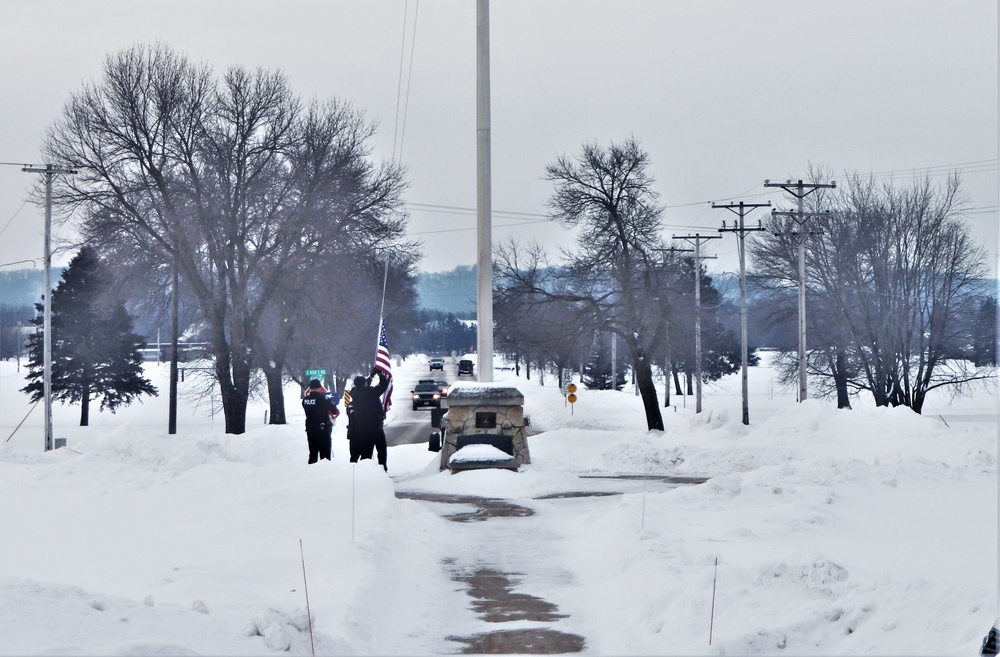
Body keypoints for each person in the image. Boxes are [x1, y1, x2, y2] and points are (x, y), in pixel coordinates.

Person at [346, 369, 389, 471]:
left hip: (362, 429)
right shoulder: (372, 392)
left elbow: (363, 385)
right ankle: (382, 468)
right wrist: (380, 374)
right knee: (381, 449)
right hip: (375, 427)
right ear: (365, 384)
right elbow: (383, 385)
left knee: (366, 452)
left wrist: (371, 376)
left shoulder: (354, 393)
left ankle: (366, 471)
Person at [302, 379, 339, 464]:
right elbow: (334, 411)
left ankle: (312, 472)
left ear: (310, 388)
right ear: (319, 388)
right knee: (325, 456)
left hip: (310, 429)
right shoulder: (323, 399)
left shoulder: (305, 400)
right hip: (323, 430)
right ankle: (323, 474)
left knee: (313, 454)